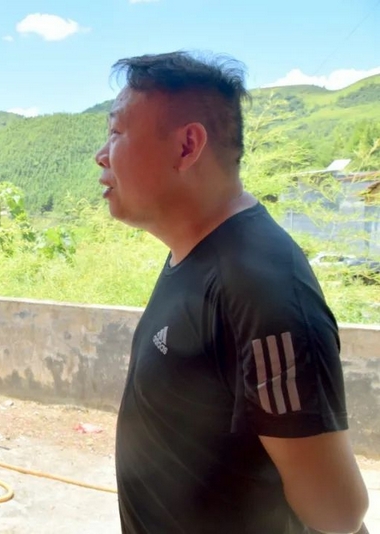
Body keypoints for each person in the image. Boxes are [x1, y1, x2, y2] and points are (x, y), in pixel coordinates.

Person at [95, 51, 369, 534]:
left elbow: (337, 512)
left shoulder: (262, 286)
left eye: (116, 132)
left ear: (187, 146)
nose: (101, 154)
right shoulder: (193, 253)